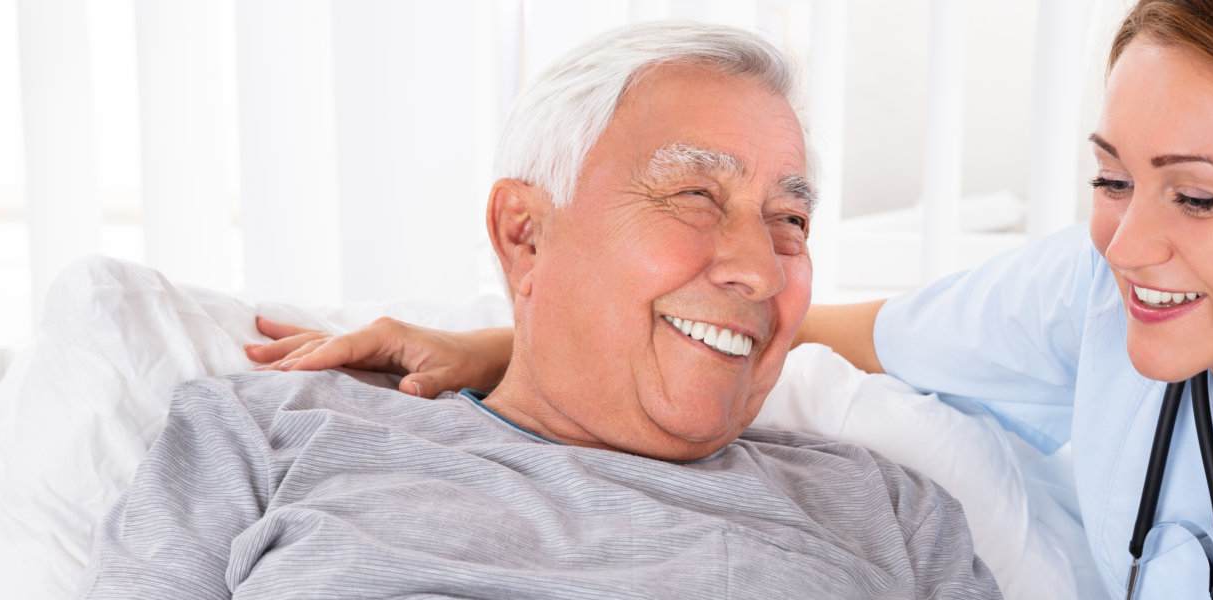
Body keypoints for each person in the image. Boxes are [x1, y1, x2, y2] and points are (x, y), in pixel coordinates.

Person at [255, 1, 1213, 598]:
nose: (1132, 242)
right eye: (1107, 176)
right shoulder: (1106, 291)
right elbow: (815, 330)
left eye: (1195, 196)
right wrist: (511, 343)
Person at [87, 21, 1000, 599]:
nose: (759, 269)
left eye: (790, 220)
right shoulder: (265, 437)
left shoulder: (885, 512)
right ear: (524, 234)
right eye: (693, 197)